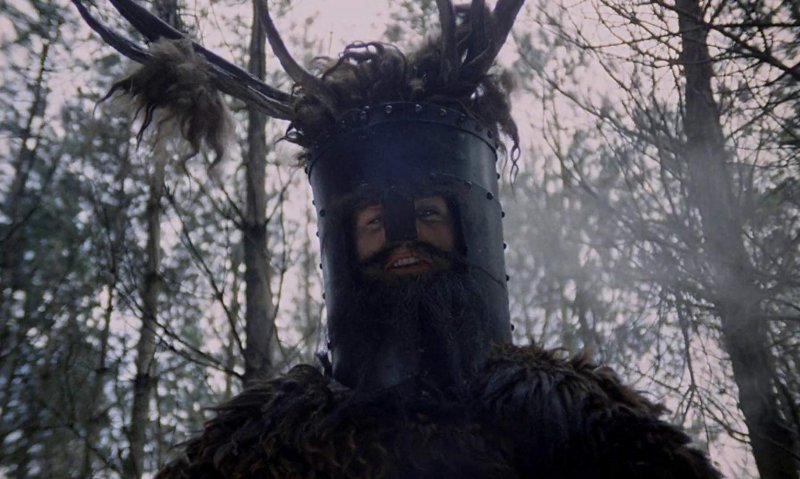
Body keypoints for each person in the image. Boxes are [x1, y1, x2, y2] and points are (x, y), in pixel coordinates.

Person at [73, 1, 723, 477]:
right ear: (342, 244)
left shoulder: (590, 426)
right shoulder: (255, 451)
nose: (403, 242)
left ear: (471, 226)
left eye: (427, 215)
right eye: (376, 223)